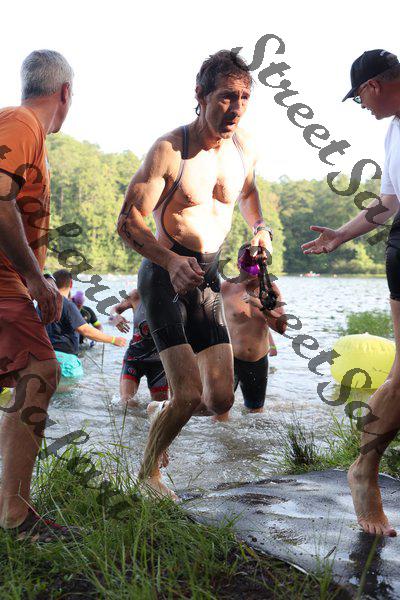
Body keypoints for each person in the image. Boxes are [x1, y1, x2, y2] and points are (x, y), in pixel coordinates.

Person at [117, 50, 273, 499]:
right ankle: (148, 477)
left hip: (207, 276)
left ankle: (161, 411)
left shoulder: (244, 148)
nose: (236, 108)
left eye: (244, 98)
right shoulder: (171, 151)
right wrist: (170, 262)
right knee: (187, 393)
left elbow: (248, 194)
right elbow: (127, 222)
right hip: (163, 277)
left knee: (220, 399)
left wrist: (260, 229)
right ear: (201, 95)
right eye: (226, 97)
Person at [301, 49, 400, 537]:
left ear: (373, 86)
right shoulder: (393, 131)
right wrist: (341, 234)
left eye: (359, 97)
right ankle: (364, 468)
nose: (361, 107)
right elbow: (390, 202)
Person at [0, 50, 80, 541]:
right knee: (39, 372)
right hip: (4, 282)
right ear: (65, 93)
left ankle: (12, 510)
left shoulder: (21, 127)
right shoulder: (23, 122)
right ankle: (15, 515)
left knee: (28, 375)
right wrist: (34, 277)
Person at [221, 244, 286, 414]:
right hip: (230, 359)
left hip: (257, 360)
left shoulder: (270, 289)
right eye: (246, 269)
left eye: (254, 270)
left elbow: (283, 327)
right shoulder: (226, 287)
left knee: (255, 414)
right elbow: (208, 318)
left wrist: (262, 306)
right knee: (220, 411)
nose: (250, 276)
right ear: (238, 265)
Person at [44, 269, 126, 377]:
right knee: (72, 387)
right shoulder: (68, 305)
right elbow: (85, 330)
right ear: (71, 284)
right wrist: (113, 340)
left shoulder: (43, 304)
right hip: (65, 362)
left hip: (45, 357)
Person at [109, 290, 168, 406]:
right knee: (126, 402)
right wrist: (116, 317)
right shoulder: (136, 294)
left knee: (160, 406)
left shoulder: (172, 295)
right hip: (133, 359)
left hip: (159, 362)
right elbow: (115, 309)